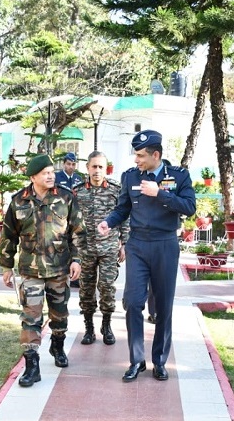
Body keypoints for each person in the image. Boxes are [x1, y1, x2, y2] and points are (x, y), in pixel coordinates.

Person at [97, 130, 196, 382]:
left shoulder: (178, 176)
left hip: (165, 244)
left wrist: (160, 194)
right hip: (138, 245)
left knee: (163, 306)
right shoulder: (130, 177)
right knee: (132, 302)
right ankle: (136, 360)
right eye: (135, 154)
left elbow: (189, 207)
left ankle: (160, 361)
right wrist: (108, 222)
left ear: (156, 155)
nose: (136, 160)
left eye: (141, 155)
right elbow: (122, 209)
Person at [0, 154, 86, 388]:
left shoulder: (66, 198)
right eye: (45, 172)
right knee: (30, 318)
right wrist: (6, 265)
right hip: (31, 271)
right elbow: (8, 235)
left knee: (59, 315)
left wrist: (76, 259)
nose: (51, 175)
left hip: (59, 269)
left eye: (52, 171)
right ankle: (32, 366)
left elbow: (78, 232)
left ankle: (57, 346)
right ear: (33, 177)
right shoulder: (18, 201)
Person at [74, 151, 129, 346]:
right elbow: (71, 221)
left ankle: (106, 325)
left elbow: (124, 216)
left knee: (107, 287)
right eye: (94, 166)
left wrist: (124, 243)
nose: (97, 171)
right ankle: (89, 328)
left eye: (101, 167)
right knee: (86, 290)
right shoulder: (77, 191)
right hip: (85, 249)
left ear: (106, 169)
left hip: (109, 248)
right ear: (87, 168)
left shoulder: (116, 190)